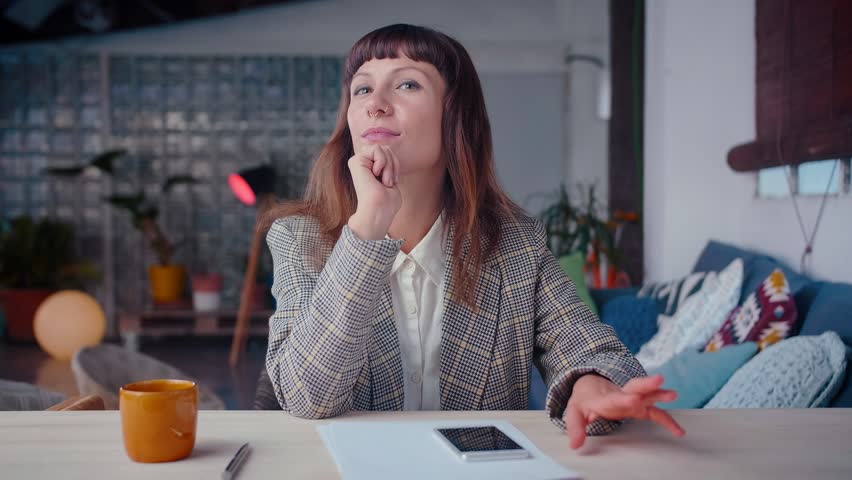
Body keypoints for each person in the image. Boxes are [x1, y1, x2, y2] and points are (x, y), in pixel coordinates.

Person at [262, 23, 684, 449]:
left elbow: (584, 344)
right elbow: (305, 397)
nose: (376, 106)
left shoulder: (516, 243)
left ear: (455, 116)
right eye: (362, 89)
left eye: (407, 83)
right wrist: (369, 224)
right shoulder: (300, 239)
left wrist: (592, 384)